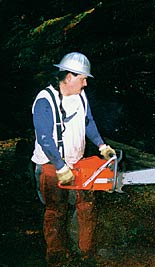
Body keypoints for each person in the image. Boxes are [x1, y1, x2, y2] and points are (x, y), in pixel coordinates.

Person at [31, 52, 116, 266]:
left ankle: (86, 253)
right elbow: (44, 138)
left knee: (86, 206)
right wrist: (60, 166)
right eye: (83, 78)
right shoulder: (45, 101)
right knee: (56, 211)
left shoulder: (80, 96)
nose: (85, 83)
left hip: (78, 162)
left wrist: (101, 145)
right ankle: (57, 258)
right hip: (51, 166)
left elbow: (88, 121)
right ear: (69, 77)